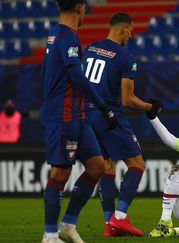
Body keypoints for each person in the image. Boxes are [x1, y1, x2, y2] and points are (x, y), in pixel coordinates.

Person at [40, 0, 118, 242]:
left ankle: (68, 224)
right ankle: (50, 235)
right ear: (80, 8)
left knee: (96, 166)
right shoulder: (68, 38)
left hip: (77, 115)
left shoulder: (56, 33)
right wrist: (104, 106)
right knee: (60, 173)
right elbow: (78, 78)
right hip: (63, 116)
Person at [82, 13, 162, 237]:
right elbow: (128, 100)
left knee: (107, 167)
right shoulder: (126, 58)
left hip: (86, 115)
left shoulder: (90, 48)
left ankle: (110, 224)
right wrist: (150, 106)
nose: (132, 34)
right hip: (109, 115)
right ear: (124, 29)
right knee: (137, 164)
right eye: (131, 30)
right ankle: (120, 218)